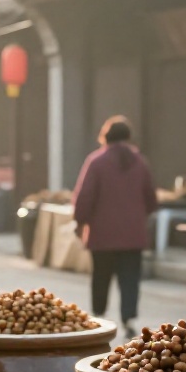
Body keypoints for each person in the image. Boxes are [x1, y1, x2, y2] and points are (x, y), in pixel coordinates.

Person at [72, 116, 157, 335]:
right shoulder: (139, 162)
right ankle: (128, 318)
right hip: (133, 233)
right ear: (128, 137)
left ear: (105, 137)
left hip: (102, 234)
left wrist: (80, 221)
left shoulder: (96, 161)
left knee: (101, 276)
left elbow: (84, 196)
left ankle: (99, 316)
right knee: (130, 278)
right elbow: (151, 198)